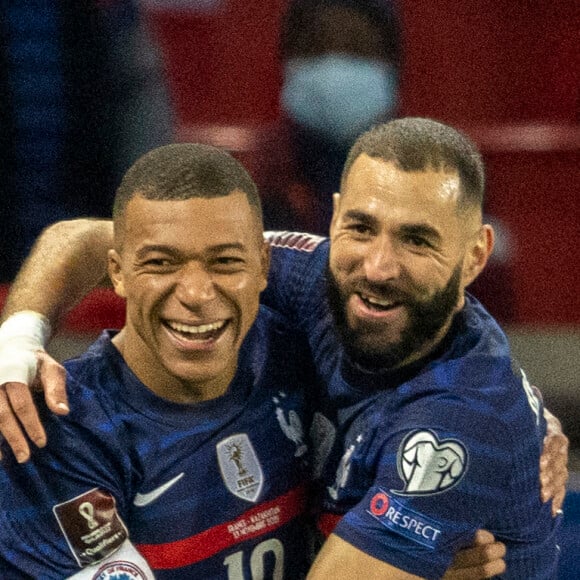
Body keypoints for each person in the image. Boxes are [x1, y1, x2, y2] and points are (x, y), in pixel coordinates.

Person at [0, 121, 569, 576]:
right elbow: (76, 240)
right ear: (336, 217)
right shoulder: (314, 283)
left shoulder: (464, 424)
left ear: (475, 256)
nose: (378, 266)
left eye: (418, 239)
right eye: (361, 227)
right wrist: (15, 343)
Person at [0, 144, 317, 577]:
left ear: (264, 265)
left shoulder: (295, 344)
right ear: (116, 272)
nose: (196, 294)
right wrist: (17, 336)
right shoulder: (61, 430)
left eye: (225, 262)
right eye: (161, 263)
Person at [261, 0, 401, 235]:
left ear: (390, 62)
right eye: (316, 49)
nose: (335, 65)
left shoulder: (435, 183)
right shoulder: (261, 187)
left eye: (355, 49)